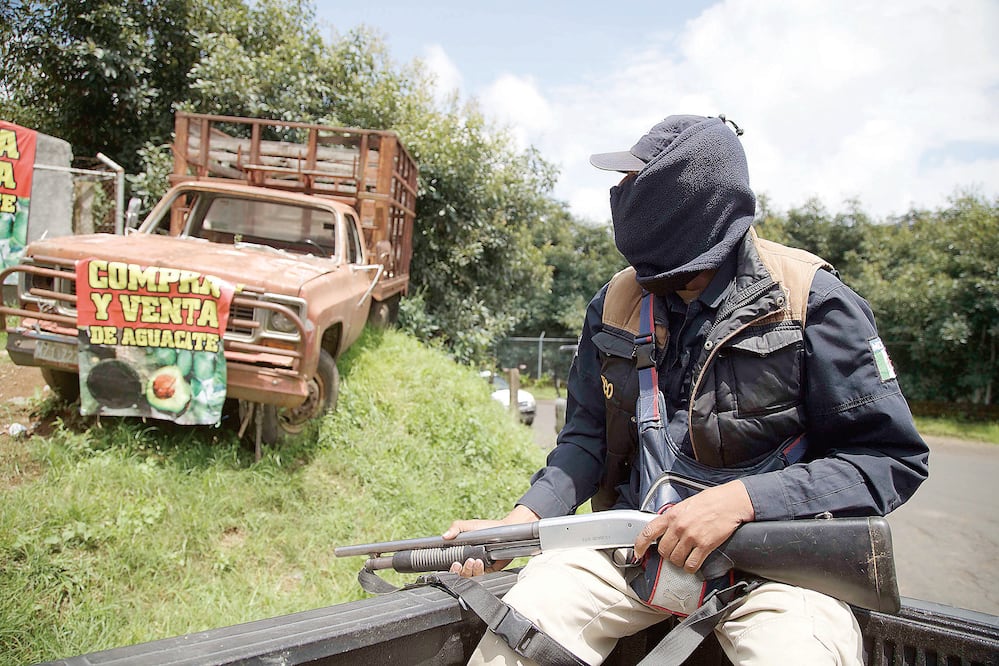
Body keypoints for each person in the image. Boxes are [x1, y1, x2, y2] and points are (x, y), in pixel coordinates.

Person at [445, 114, 930, 665]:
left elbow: (888, 459)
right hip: (633, 550)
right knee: (525, 624)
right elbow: (585, 440)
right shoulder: (615, 304)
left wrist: (743, 501)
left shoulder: (811, 303)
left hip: (778, 569)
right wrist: (523, 523)